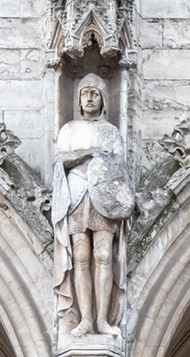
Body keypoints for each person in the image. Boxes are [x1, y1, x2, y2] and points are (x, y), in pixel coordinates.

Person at [50, 74, 134, 338]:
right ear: (78, 99)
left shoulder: (110, 132)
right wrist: (85, 155)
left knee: (104, 255)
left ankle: (102, 320)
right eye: (84, 93)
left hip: (103, 197)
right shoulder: (69, 130)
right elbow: (60, 161)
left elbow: (118, 165)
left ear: (102, 99)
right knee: (80, 257)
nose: (89, 98)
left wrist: (97, 164)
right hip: (76, 195)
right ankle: (86, 319)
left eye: (94, 93)